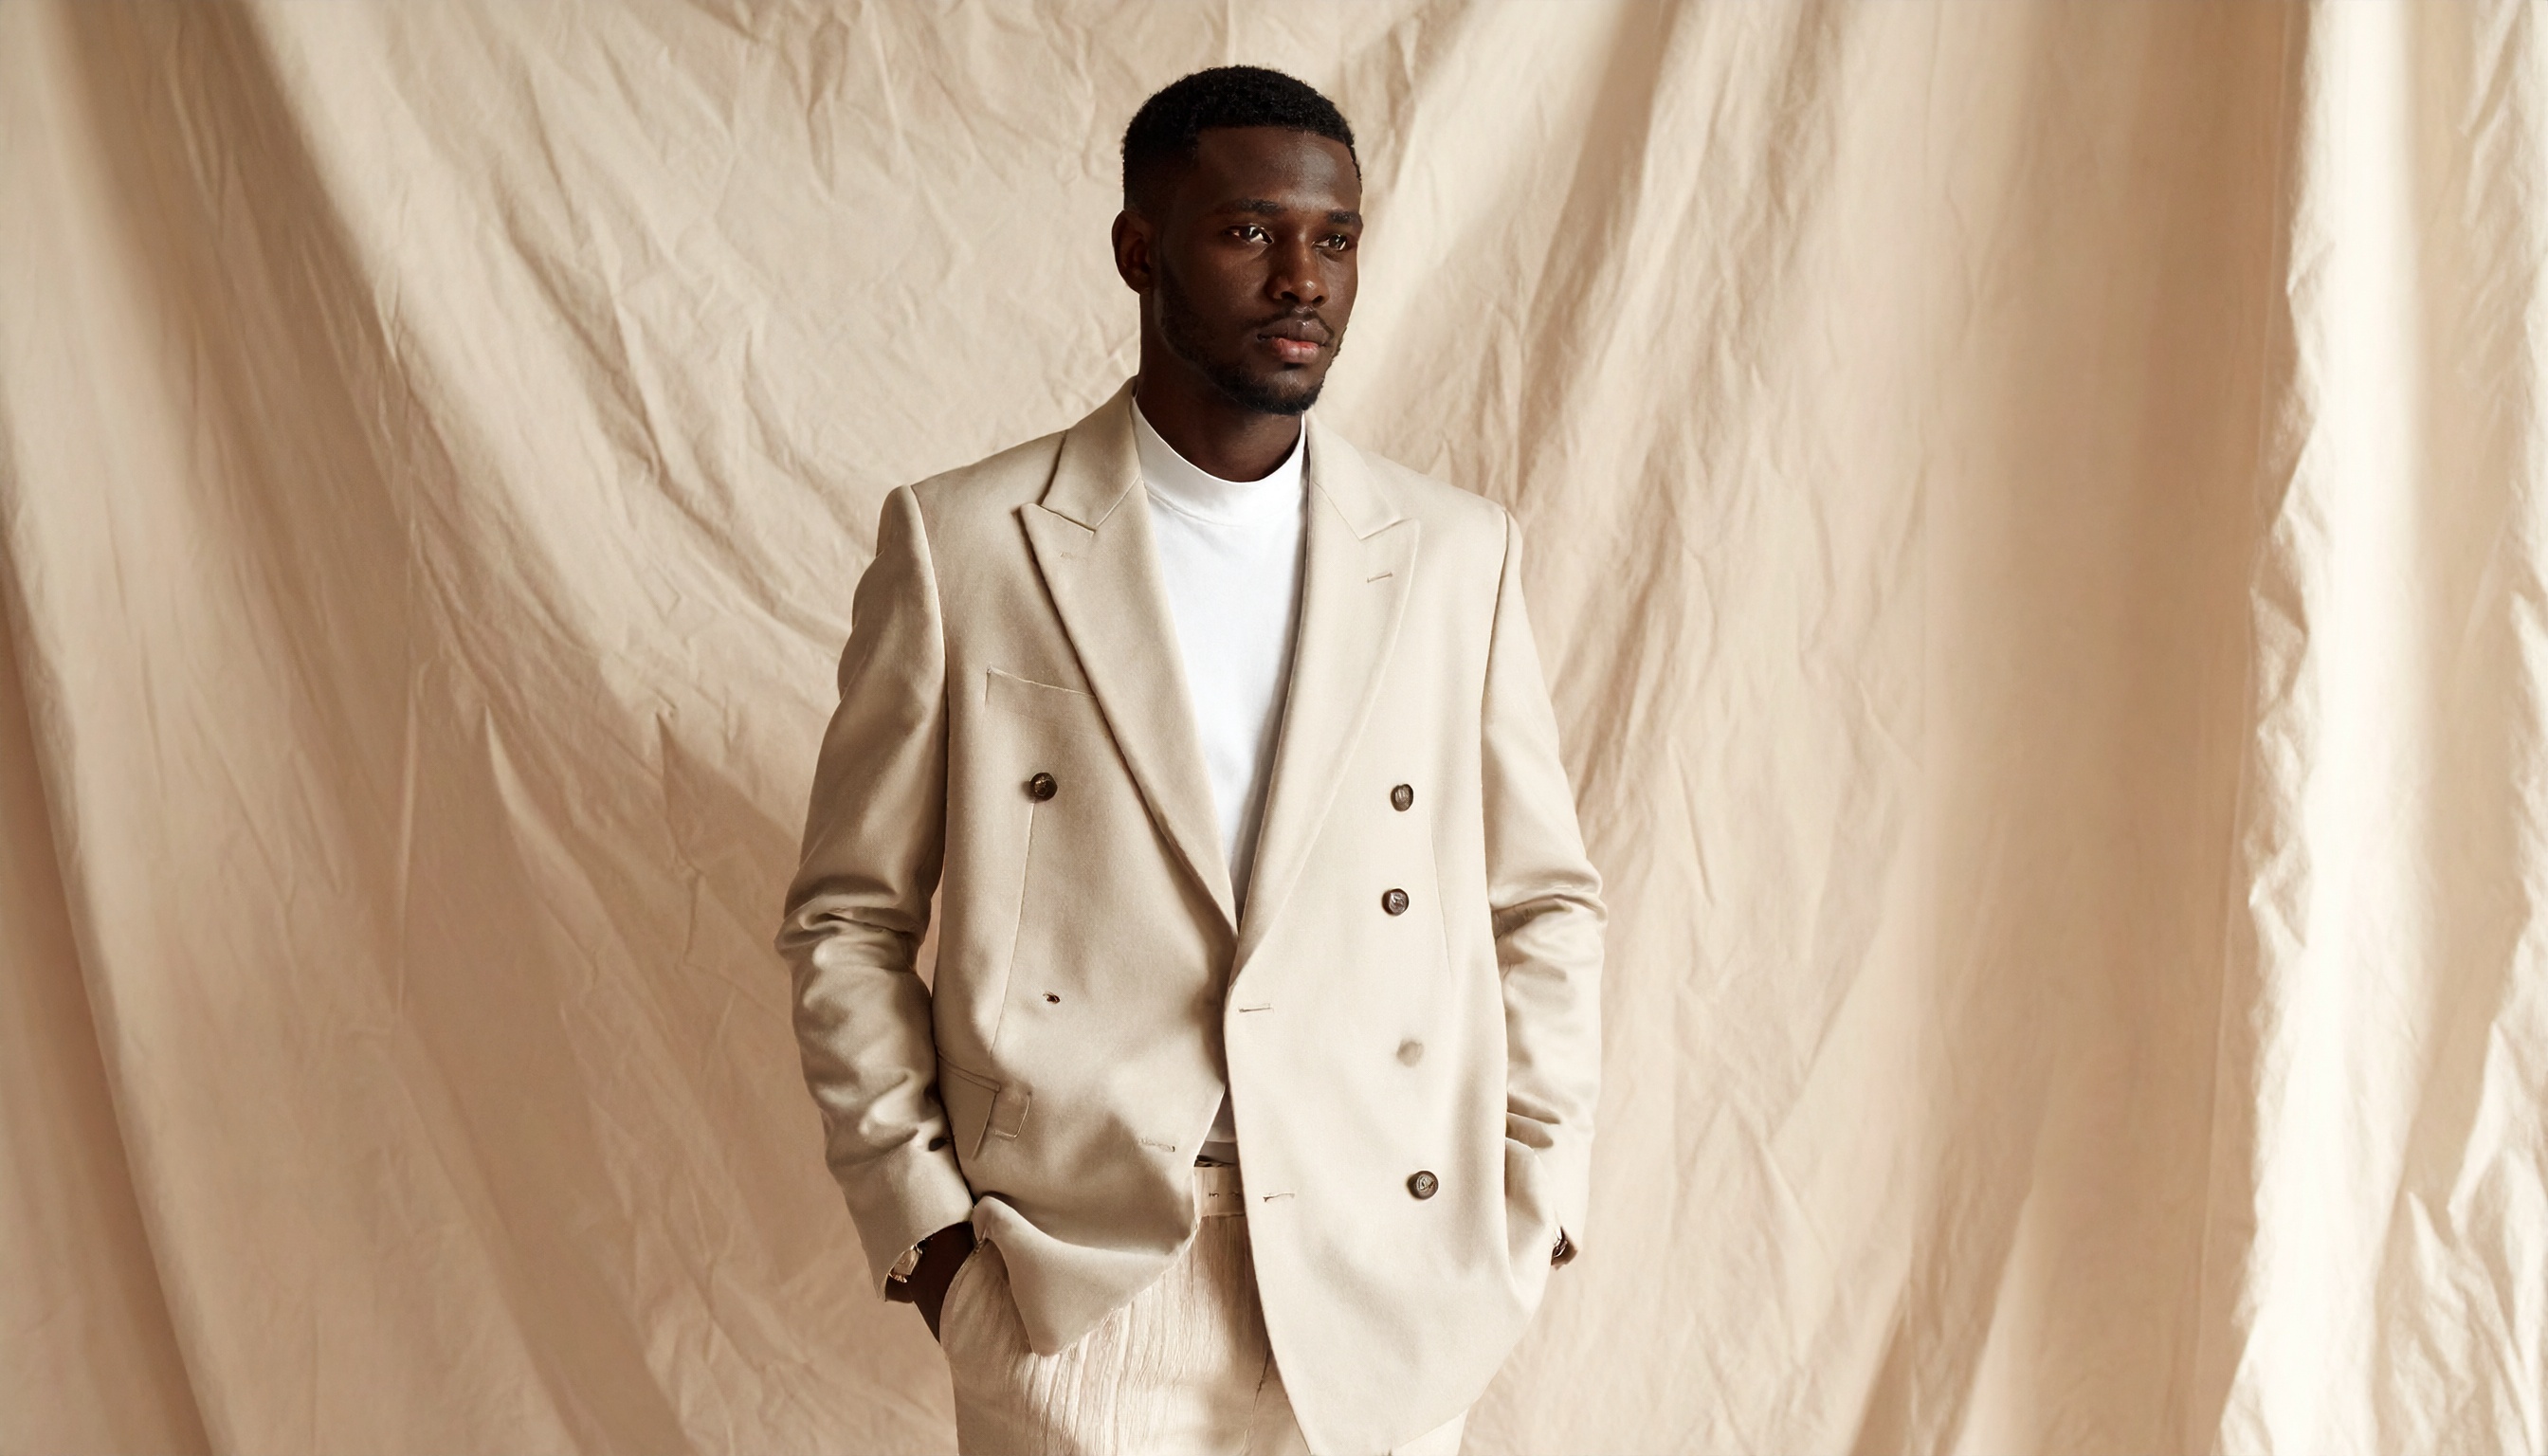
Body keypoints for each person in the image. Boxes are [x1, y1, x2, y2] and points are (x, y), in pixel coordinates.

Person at [775, 64, 1604, 1456]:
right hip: (1084, 1283)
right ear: (1138, 250)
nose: (1302, 279)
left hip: (1384, 1268)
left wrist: (1534, 1204)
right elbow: (848, 920)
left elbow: (1544, 904)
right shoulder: (969, 541)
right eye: (1249, 232)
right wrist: (927, 1244)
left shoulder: (1454, 554)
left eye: (1333, 239)